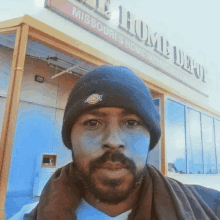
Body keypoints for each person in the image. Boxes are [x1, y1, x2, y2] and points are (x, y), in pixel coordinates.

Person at [10, 65, 220, 220]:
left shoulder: (210, 206)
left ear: (150, 138)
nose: (113, 141)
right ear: (70, 138)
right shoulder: (27, 216)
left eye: (131, 123)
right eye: (92, 122)